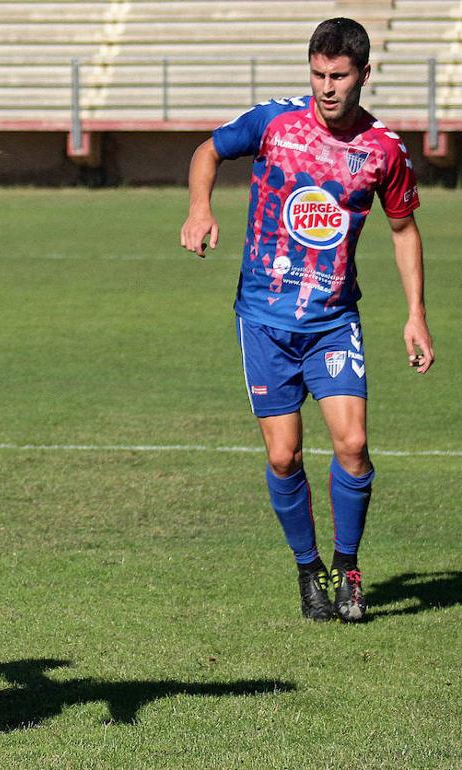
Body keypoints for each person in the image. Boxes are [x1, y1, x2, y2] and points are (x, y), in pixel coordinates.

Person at [180, 17, 434, 623]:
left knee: (353, 444)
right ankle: (307, 569)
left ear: (363, 76)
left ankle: (348, 569)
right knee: (284, 458)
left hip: (332, 320)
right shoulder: (274, 122)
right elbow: (208, 151)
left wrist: (415, 314)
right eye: (318, 74)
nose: (326, 87)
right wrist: (198, 209)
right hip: (264, 318)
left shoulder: (384, 151)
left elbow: (404, 230)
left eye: (339, 76)